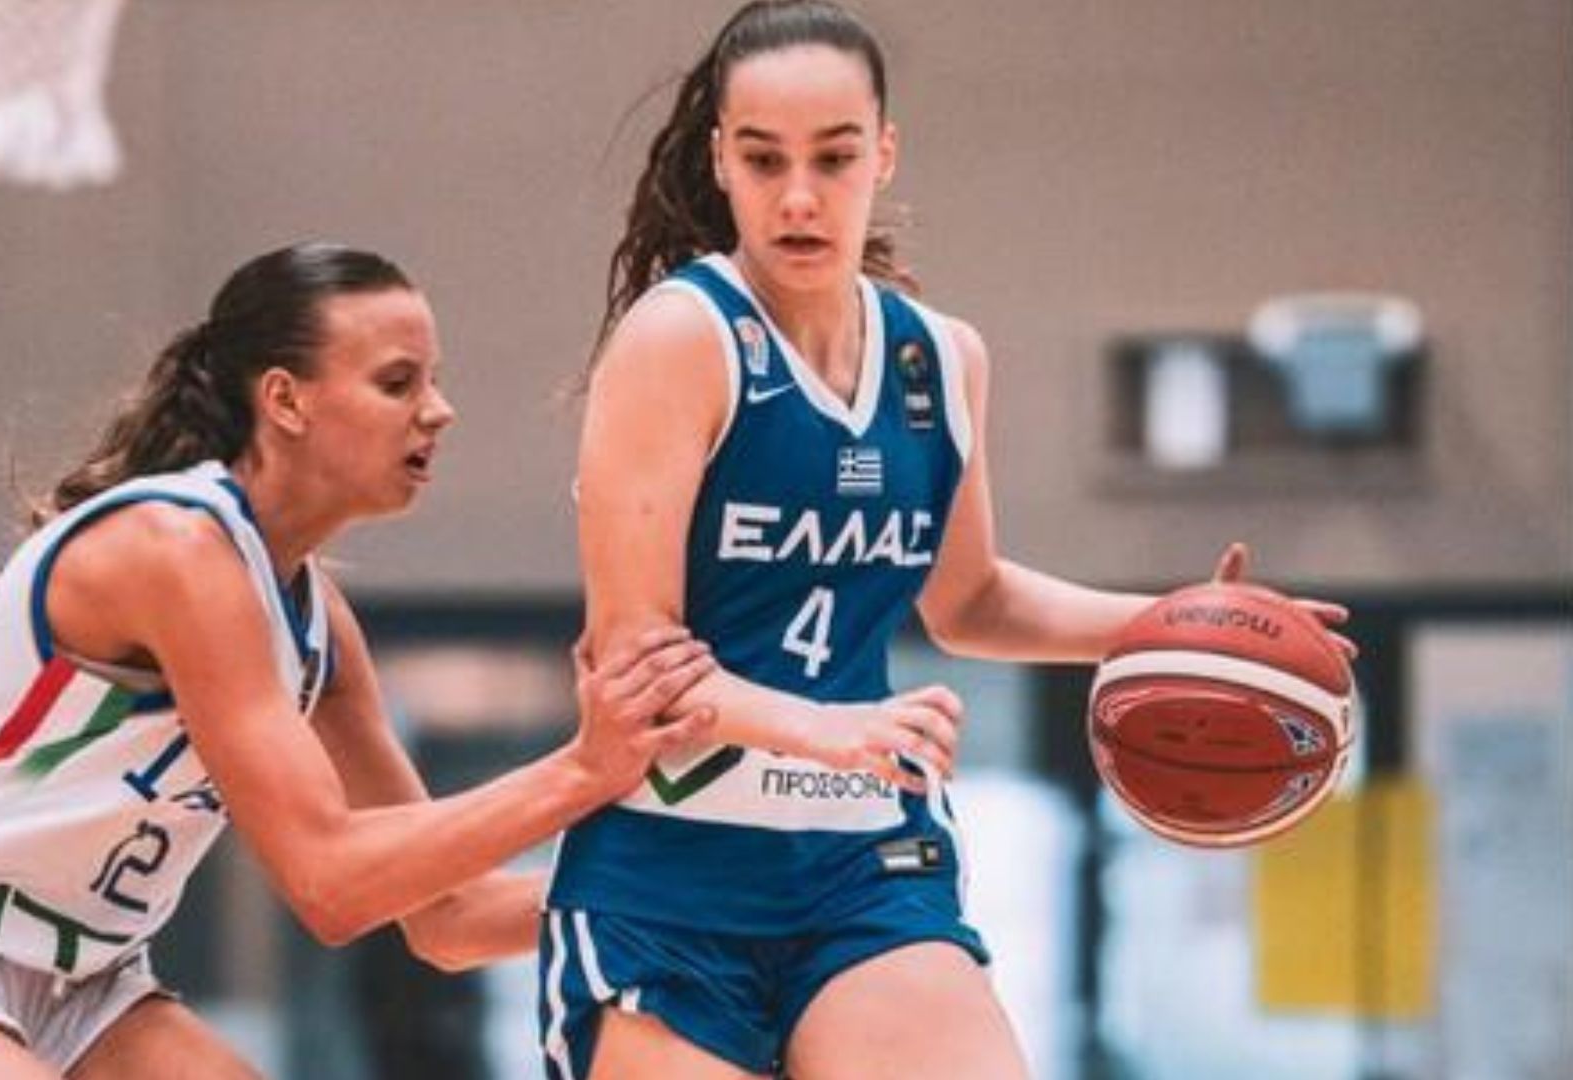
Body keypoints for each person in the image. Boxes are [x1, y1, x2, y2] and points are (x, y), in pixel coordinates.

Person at [544, 4, 1358, 1079]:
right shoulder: (679, 339)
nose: (799, 196)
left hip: (863, 857)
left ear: (883, 153)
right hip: (670, 864)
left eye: (834, 157)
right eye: (765, 159)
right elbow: (632, 662)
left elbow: (968, 600)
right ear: (721, 160)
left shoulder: (940, 358)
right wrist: (823, 728)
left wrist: (1182, 629)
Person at [0, 242, 719, 1080]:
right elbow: (329, 882)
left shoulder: (316, 623)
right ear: (284, 399)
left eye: (433, 381)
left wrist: (706, 893)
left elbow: (448, 919)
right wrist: (583, 771)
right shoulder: (176, 551)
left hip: (83, 985)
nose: (439, 411)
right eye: (398, 383)